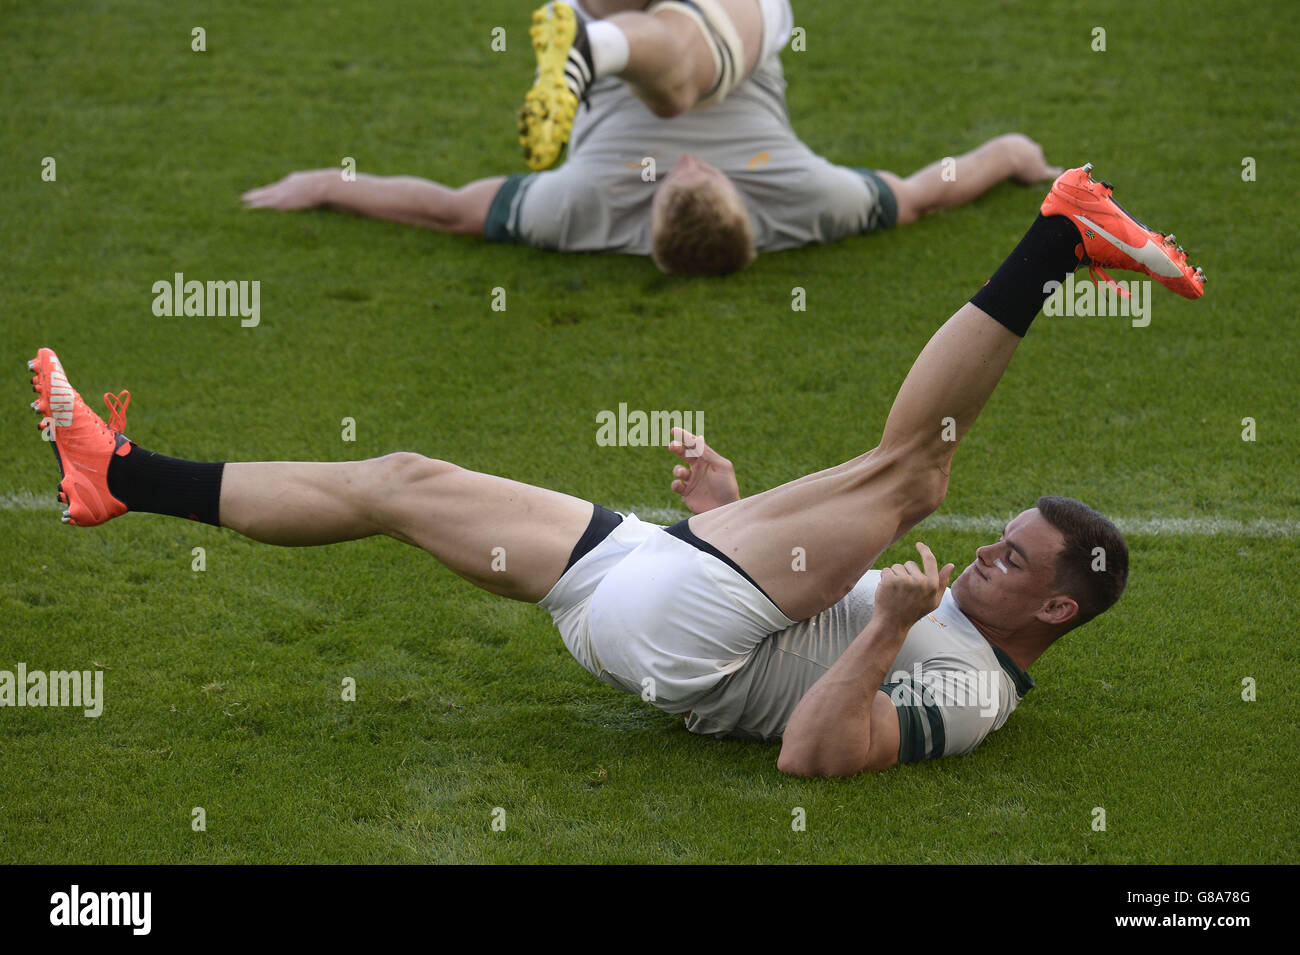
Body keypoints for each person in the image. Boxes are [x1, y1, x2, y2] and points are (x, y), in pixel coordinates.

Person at [29, 166, 1204, 775]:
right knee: (396, 477)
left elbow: (814, 755)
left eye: (1014, 559)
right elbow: (806, 626)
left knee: (912, 477)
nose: (987, 555)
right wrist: (726, 513)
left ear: (1056, 607)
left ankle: (1061, 231)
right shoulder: (951, 615)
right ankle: (124, 477)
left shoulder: (975, 696)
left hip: (684, 638)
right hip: (643, 593)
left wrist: (891, 626)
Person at [241, 0, 1060, 275]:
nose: (690, 162)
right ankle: (591, 55)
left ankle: (593, 49)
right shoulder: (815, 201)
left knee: (664, 87)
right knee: (680, 90)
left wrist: (329, 184)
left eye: (674, 179)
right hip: (724, 25)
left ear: (649, 219)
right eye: (712, 175)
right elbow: (924, 194)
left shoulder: (580, 208)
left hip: (615, 15)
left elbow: (450, 211)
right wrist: (1015, 157)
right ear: (748, 208)